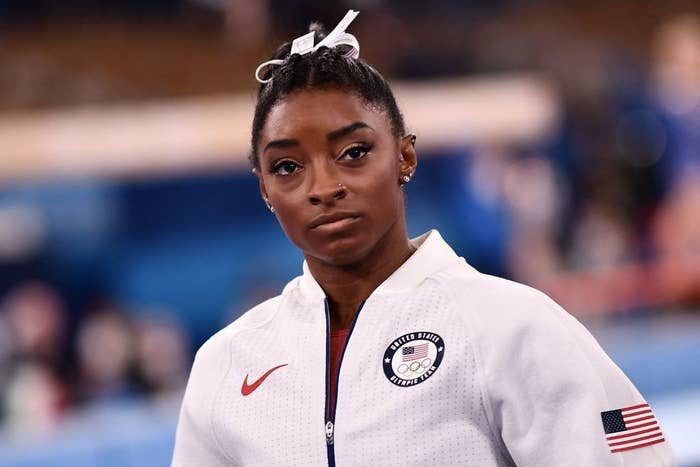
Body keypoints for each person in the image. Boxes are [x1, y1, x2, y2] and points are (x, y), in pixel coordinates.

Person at [172, 10, 673, 466]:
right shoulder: (227, 364)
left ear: (405, 157)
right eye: (287, 166)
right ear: (264, 189)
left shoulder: (513, 328)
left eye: (352, 153)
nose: (323, 187)